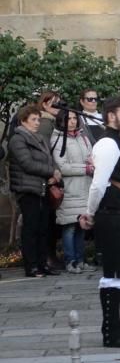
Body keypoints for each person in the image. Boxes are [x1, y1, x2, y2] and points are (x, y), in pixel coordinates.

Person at [78, 97, 120, 348]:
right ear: (110, 117)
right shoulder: (108, 144)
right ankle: (111, 332)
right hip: (114, 217)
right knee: (114, 275)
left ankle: (118, 326)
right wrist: (90, 213)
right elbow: (98, 184)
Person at [7, 104, 60, 277]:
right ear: (23, 122)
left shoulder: (40, 138)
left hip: (42, 187)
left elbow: (49, 159)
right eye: (34, 120)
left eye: (39, 119)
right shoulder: (17, 139)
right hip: (27, 188)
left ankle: (43, 263)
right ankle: (32, 266)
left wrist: (54, 174)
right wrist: (50, 172)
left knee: (44, 228)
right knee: (31, 229)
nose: (38, 123)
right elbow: (27, 164)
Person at [51, 109, 95, 274]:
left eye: (75, 118)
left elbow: (92, 156)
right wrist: (86, 168)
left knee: (81, 226)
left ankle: (81, 260)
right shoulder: (57, 139)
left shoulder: (82, 136)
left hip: (85, 188)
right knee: (69, 227)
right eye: (68, 119)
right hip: (69, 189)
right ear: (61, 120)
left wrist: (92, 163)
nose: (72, 122)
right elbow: (62, 167)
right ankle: (71, 261)